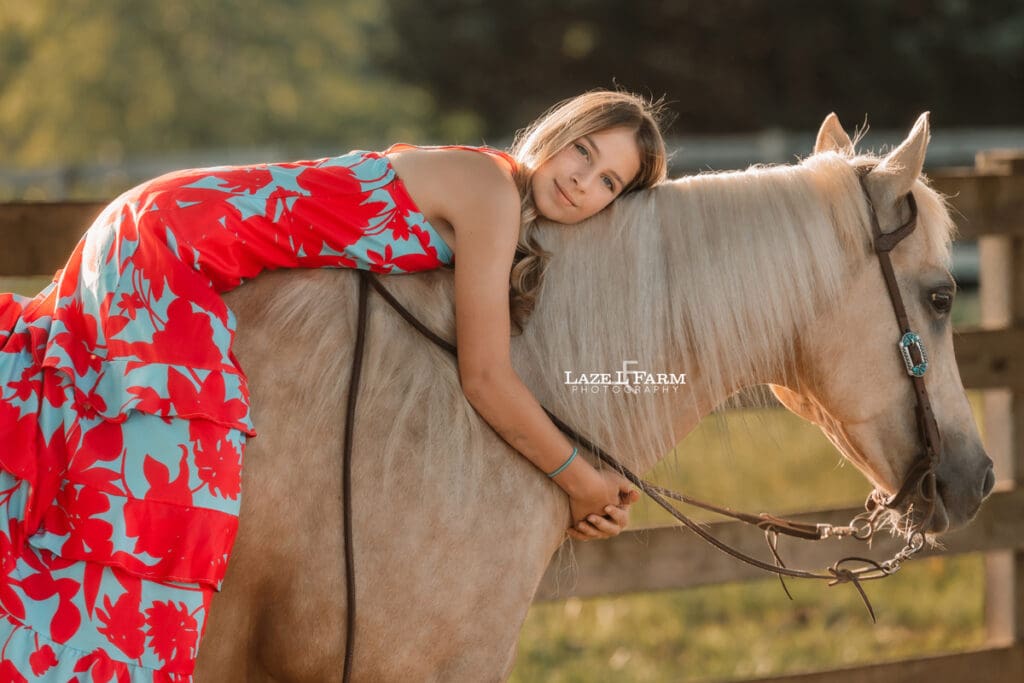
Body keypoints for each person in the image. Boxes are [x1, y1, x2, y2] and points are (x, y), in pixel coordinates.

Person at [0, 88, 668, 679]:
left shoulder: (494, 196)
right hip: (166, 244)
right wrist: (580, 480)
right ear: (554, 133)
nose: (583, 181)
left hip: (161, 224)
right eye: (582, 151)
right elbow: (486, 376)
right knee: (177, 477)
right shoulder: (489, 190)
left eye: (609, 182)